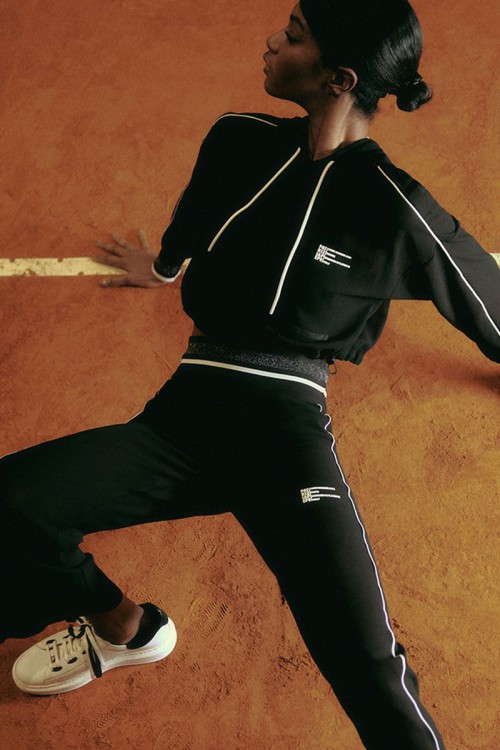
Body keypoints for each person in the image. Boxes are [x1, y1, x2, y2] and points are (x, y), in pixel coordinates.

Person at [1, 1, 498, 747]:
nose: (271, 40)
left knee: (365, 660)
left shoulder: (395, 208)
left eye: (293, 35)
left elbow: (491, 308)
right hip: (182, 421)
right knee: (13, 504)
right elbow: (191, 224)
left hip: (285, 440)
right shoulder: (238, 138)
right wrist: (161, 268)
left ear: (339, 78)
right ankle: (125, 629)